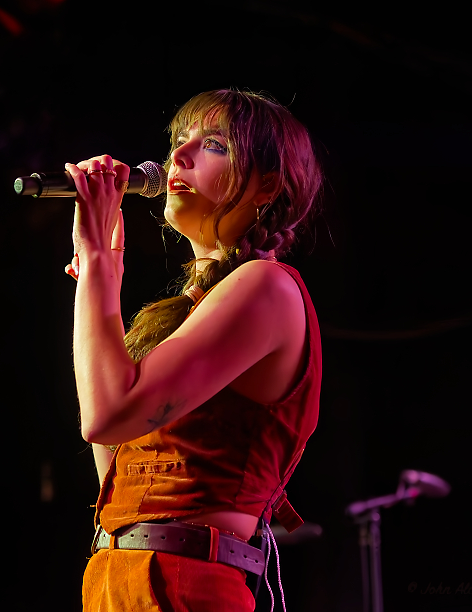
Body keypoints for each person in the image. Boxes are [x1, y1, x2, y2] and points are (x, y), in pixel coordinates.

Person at [64, 90, 323, 611]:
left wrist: (97, 265)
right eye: (178, 141)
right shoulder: (187, 311)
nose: (177, 158)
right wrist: (100, 278)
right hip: (117, 578)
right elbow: (117, 467)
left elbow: (106, 416)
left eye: (213, 145)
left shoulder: (267, 288)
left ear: (267, 186)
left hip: (184, 583)